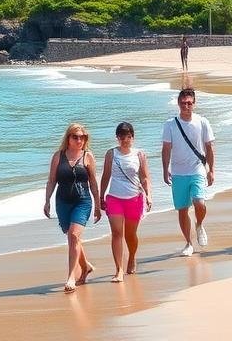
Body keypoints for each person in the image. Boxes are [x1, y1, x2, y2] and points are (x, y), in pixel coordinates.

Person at [44, 122, 101, 292]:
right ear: (68, 138)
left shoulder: (88, 156)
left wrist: (98, 205)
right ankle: (86, 267)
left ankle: (71, 278)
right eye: (75, 137)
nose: (79, 140)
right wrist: (46, 201)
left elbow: (93, 182)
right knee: (72, 238)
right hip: (62, 201)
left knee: (74, 235)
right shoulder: (58, 156)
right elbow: (52, 180)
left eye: (82, 137)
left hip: (82, 201)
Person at [161, 87, 215, 257]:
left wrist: (211, 170)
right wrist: (165, 169)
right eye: (183, 103)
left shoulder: (202, 122)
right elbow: (166, 148)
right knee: (182, 209)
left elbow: (209, 147)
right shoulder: (170, 124)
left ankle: (199, 224)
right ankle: (188, 243)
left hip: (197, 169)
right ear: (178, 103)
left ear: (194, 104)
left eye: (189, 103)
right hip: (178, 172)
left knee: (200, 203)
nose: (186, 106)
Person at [98, 121, 152, 282]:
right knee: (116, 233)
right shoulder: (111, 154)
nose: (124, 139)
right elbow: (106, 176)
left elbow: (144, 177)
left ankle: (132, 256)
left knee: (130, 234)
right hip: (114, 198)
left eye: (128, 136)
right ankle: (119, 270)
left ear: (132, 137)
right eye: (121, 136)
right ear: (117, 138)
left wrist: (149, 196)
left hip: (134, 198)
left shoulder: (139, 155)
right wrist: (101, 196)